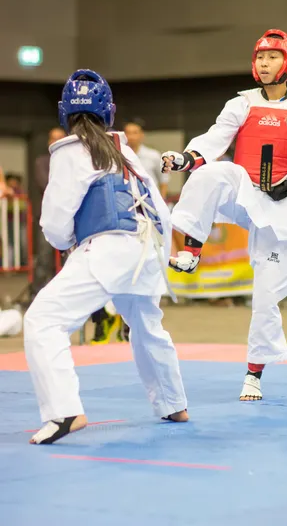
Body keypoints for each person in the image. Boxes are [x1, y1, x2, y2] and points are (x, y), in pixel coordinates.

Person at [161, 29, 287, 402]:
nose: (264, 64)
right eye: (260, 58)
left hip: (281, 209)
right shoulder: (241, 102)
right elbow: (214, 139)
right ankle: (191, 249)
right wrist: (185, 158)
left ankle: (254, 374)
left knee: (266, 296)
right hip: (244, 195)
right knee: (210, 172)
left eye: (272, 57)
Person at [24, 69, 188, 445]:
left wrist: (69, 243)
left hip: (108, 249)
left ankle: (64, 410)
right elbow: (160, 210)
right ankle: (173, 403)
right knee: (146, 324)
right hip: (148, 248)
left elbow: (54, 221)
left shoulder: (70, 150)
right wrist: (165, 255)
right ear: (109, 111)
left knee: (43, 320)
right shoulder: (123, 149)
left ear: (64, 111)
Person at [32, 128, 66, 296]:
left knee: (69, 260)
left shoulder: (71, 162)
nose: (56, 141)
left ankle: (65, 296)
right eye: (53, 138)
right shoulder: (42, 161)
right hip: (46, 218)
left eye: (60, 138)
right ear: (48, 142)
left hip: (68, 217)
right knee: (44, 259)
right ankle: (35, 295)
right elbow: (45, 185)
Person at [124, 119, 170, 199]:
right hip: (128, 200)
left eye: (135, 133)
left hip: (151, 199)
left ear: (142, 135)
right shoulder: (119, 156)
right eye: (128, 133)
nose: (131, 137)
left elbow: (164, 179)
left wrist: (162, 201)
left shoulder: (153, 155)